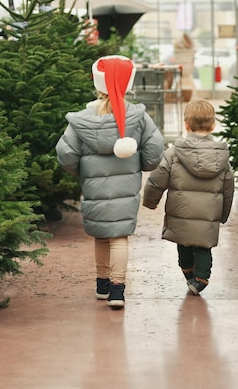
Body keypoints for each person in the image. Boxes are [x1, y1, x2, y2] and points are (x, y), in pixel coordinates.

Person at [56, 55, 164, 309]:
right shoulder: (137, 117)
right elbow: (155, 147)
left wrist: (81, 172)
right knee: (119, 238)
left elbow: (65, 153)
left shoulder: (83, 119)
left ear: (97, 84)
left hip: (94, 187)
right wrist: (142, 165)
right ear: (127, 84)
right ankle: (118, 290)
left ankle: (102, 284)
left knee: (101, 237)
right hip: (126, 189)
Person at [142, 99, 234, 295]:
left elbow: (157, 179)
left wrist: (150, 201)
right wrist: (223, 215)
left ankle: (188, 272)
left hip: (181, 211)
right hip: (208, 214)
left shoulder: (174, 153)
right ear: (213, 125)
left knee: (183, 241)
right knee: (203, 245)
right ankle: (201, 278)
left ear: (186, 125)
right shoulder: (221, 157)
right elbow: (228, 189)